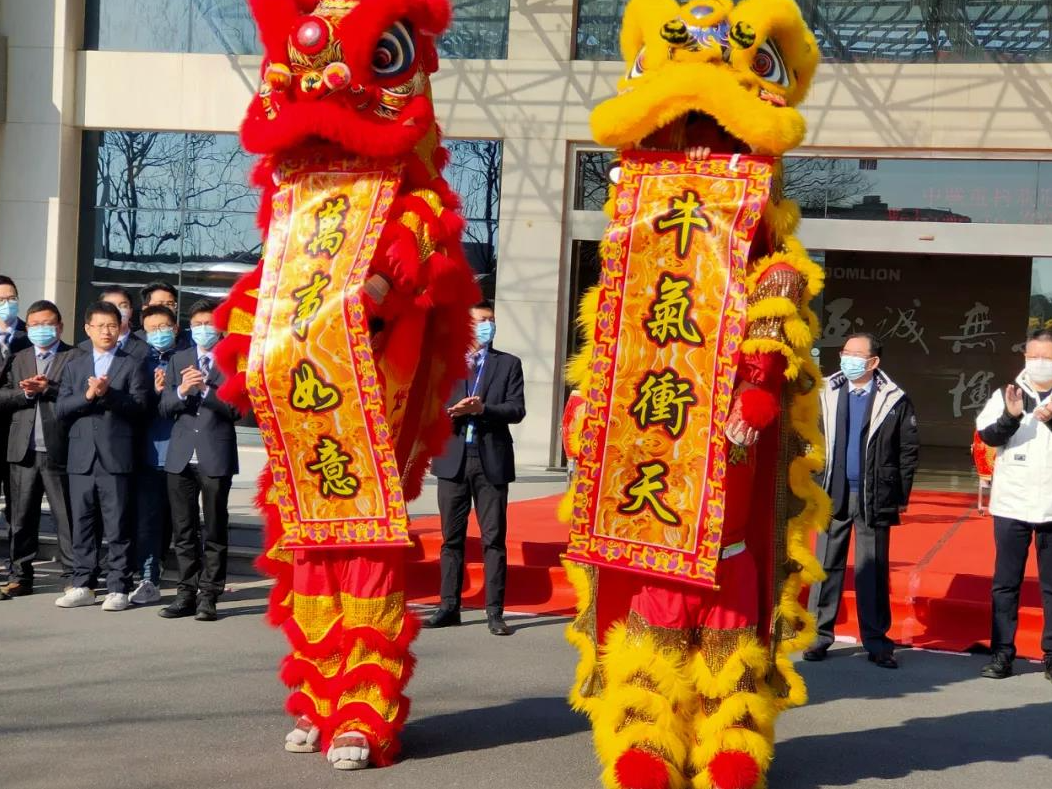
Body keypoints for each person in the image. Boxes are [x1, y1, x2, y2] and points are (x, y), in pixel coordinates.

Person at [806, 332, 919, 668]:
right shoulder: (825, 391)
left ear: (873, 362)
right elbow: (810, 439)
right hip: (832, 490)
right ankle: (818, 636)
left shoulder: (894, 398)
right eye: (845, 352)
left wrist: (900, 495)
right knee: (826, 565)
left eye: (856, 354)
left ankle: (876, 641)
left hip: (873, 494)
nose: (848, 359)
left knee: (872, 570)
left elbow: (907, 450)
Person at [426, 300, 526, 636]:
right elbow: (428, 407)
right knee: (450, 539)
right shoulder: (445, 363)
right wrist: (450, 411)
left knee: (493, 539)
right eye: (482, 320)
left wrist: (483, 409)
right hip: (453, 458)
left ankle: (495, 612)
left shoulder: (508, 364)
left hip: (490, 459)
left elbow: (516, 409)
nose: (488, 325)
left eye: (492, 320)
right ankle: (448, 606)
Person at [55, 301, 149, 611]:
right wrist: (88, 395)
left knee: (117, 523)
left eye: (112, 325)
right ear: (87, 329)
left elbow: (139, 408)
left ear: (121, 327)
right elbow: (62, 409)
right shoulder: (74, 365)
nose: (106, 331)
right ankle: (83, 583)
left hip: (116, 455)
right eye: (100, 326)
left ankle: (118, 586)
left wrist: (109, 394)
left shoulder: (131, 363)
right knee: (81, 523)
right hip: (81, 456)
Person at [975, 328, 1052, 683]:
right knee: (1005, 583)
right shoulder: (1007, 393)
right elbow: (988, 436)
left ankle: (1051, 654)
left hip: (1051, 504)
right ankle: (1002, 654)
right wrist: (1011, 416)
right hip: (1011, 503)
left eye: (1046, 358)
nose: (1038, 363)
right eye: (1032, 356)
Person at [157, 299, 240, 622]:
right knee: (183, 529)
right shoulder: (179, 359)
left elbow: (236, 409)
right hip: (179, 456)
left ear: (220, 327)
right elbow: (165, 407)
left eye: (209, 323)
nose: (203, 329)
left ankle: (210, 595)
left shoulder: (231, 360)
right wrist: (180, 392)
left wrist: (206, 388)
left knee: (215, 527)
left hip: (215, 454)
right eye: (198, 324)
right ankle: (185, 592)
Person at [0, 301, 79, 597]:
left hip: (59, 449)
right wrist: (24, 393)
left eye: (47, 324)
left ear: (59, 326)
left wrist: (49, 388)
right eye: (34, 324)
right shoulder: (19, 357)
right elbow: (3, 395)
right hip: (22, 450)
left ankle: (73, 575)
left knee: (66, 517)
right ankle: (20, 575)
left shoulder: (74, 356)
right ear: (27, 327)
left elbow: (78, 395)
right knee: (20, 517)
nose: (40, 329)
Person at [128, 304, 181, 605]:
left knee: (183, 521)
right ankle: (149, 578)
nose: (158, 334)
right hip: (148, 453)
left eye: (164, 328)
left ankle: (195, 579)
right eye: (152, 329)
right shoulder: (138, 361)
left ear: (175, 328)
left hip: (182, 454)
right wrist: (153, 392)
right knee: (147, 519)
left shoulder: (186, 359)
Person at [0, 275, 30, 537]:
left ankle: (14, 562)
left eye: (11, 299)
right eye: (1, 300)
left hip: (18, 431)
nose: (7, 304)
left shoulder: (31, 335)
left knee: (17, 502)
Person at [135, 281, 193, 351]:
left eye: (170, 304)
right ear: (145, 308)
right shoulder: (134, 342)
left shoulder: (191, 340)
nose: (165, 309)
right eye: (159, 304)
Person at [96, 285, 149, 360]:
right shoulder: (84, 349)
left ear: (130, 312)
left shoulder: (145, 350)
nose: (117, 310)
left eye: (123, 306)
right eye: (110, 306)